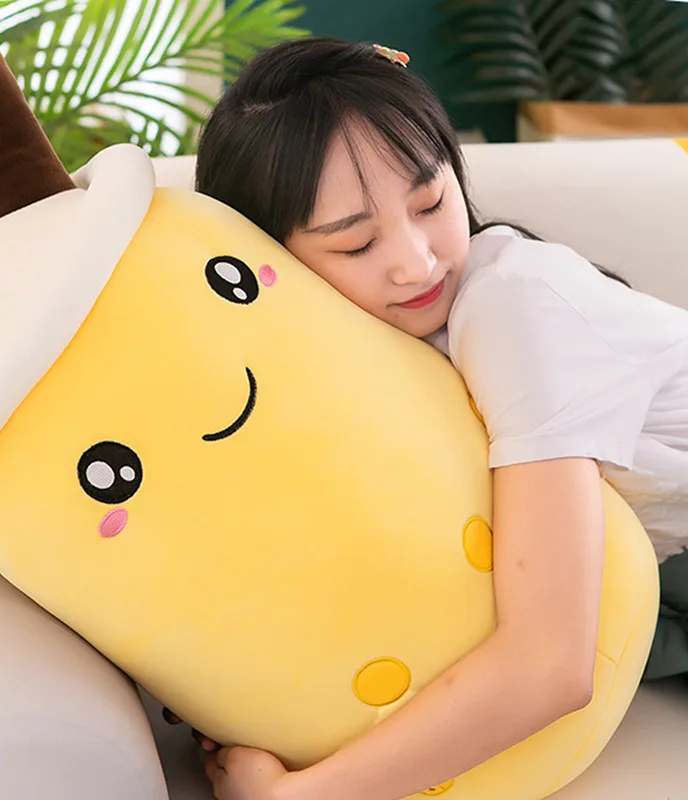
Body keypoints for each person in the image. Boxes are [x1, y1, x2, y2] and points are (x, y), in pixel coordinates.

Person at [169, 37, 688, 800]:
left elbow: (551, 663)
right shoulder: (346, 363)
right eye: (356, 242)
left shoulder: (513, 306)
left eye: (431, 204)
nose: (416, 262)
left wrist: (296, 796)